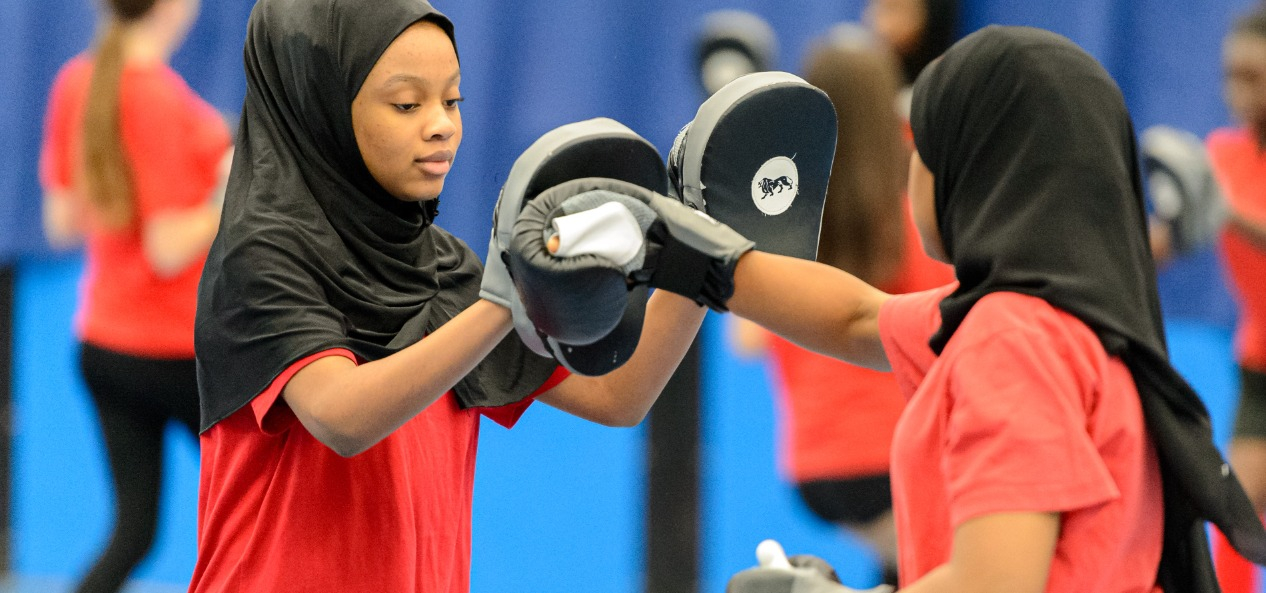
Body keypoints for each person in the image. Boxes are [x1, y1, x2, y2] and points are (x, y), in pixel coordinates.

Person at [713, 26, 1266, 591]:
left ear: (969, 168)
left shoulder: (1012, 338)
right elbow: (856, 318)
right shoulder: (1080, 321)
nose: (909, 164)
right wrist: (690, 253)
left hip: (819, 468)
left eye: (919, 146)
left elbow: (995, 584)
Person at [186, 1, 705, 592]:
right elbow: (343, 416)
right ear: (318, 104)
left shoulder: (450, 270)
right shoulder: (261, 257)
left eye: (452, 100)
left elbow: (618, 393)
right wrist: (506, 299)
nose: (441, 124)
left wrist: (699, 264)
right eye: (407, 103)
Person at [728, 34, 951, 587]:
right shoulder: (916, 217)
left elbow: (746, 342)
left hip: (816, 467)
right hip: (901, 457)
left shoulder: (783, 224)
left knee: (904, 568)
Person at [38, 0, 230, 591]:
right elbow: (167, 247)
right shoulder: (157, 100)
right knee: (249, 527)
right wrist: (227, 191)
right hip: (173, 355)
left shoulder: (79, 80)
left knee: (133, 533)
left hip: (104, 347)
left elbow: (62, 221)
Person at [1206, 7, 1266, 593]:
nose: (1239, 90)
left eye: (1255, 75)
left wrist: (1226, 212)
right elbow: (1173, 233)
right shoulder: (1222, 152)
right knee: (1235, 515)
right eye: (1232, 74)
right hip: (1259, 365)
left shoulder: (1220, 184)